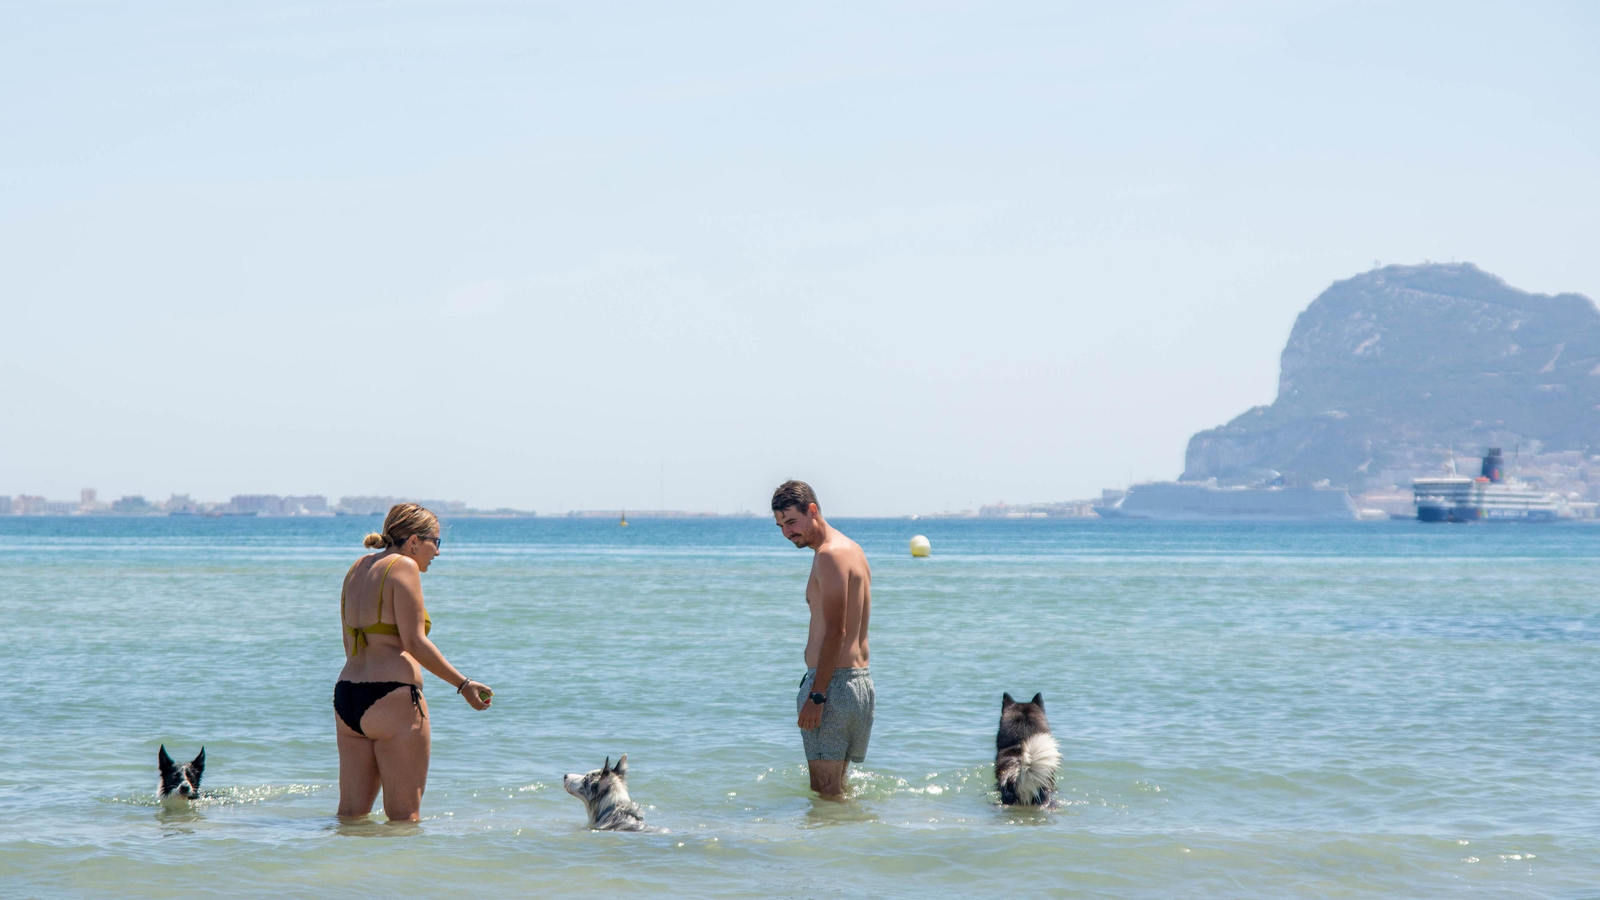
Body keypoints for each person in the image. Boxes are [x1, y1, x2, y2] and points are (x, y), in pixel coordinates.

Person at [333, 503, 492, 821]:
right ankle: (402, 872)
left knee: (350, 815)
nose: (438, 552)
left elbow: (351, 644)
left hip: (346, 697)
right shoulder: (403, 566)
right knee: (405, 818)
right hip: (392, 698)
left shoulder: (357, 568)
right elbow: (414, 641)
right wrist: (463, 684)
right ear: (414, 541)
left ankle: (349, 870)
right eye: (436, 541)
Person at [772, 480, 874, 800]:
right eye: (780, 525)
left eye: (792, 521)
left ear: (812, 511)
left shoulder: (828, 555)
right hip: (859, 686)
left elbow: (836, 631)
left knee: (825, 795)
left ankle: (830, 848)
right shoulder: (852, 549)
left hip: (831, 688)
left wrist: (817, 696)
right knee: (839, 791)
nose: (787, 532)